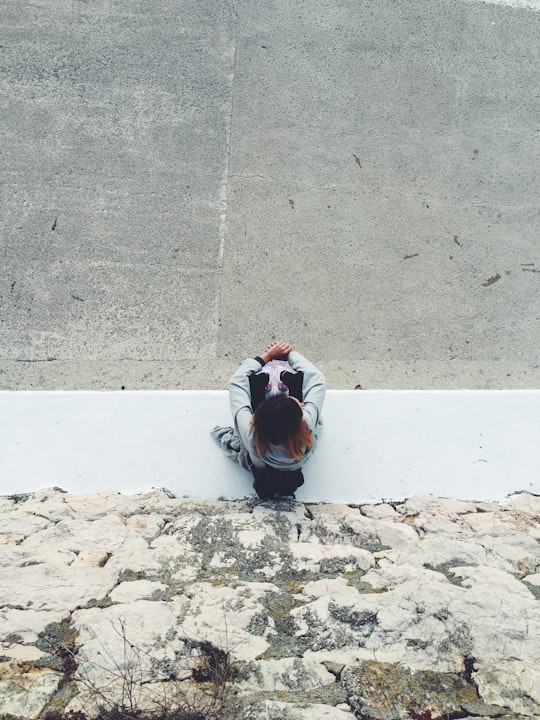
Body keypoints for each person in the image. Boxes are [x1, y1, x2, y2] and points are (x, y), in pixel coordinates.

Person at [211, 341, 326, 499]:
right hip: (292, 464)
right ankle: (287, 380)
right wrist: (290, 355)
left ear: (256, 420)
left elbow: (237, 383)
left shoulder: (251, 434)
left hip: (263, 465)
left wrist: (266, 356)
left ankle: (260, 385)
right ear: (300, 419)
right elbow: (317, 380)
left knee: (249, 387)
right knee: (301, 389)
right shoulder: (308, 424)